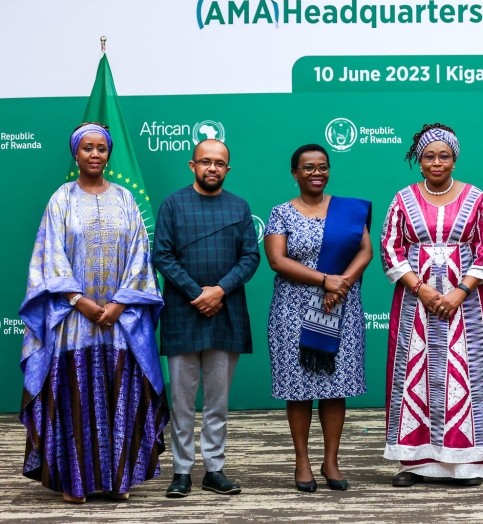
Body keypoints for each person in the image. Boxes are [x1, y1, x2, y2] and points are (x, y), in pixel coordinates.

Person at [19, 123, 168, 503]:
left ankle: (118, 480)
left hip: (120, 321)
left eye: (101, 148)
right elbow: (49, 256)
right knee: (76, 398)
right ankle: (75, 483)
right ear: (76, 153)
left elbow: (140, 256)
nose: (95, 154)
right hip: (72, 322)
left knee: (120, 396)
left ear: (108, 153)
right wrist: (78, 300)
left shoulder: (125, 199)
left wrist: (119, 303)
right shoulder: (61, 199)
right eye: (88, 148)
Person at [381, 124, 483, 487]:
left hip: (467, 307)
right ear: (419, 161)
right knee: (413, 377)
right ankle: (412, 463)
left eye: (444, 156)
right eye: (429, 156)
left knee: (466, 376)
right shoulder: (403, 199)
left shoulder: (476, 198)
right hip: (414, 306)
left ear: (454, 159)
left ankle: (467, 464)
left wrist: (459, 291)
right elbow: (390, 248)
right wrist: (420, 288)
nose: (437, 162)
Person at [153, 139, 261, 498]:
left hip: (225, 313)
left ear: (227, 169)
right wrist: (197, 294)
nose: (212, 168)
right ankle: (181, 471)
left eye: (219, 163)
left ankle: (214, 469)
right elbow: (162, 255)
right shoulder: (173, 204)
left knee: (217, 400)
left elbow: (250, 257)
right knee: (182, 401)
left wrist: (220, 291)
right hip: (183, 311)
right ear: (192, 165)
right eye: (205, 161)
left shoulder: (239, 206)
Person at [264, 144, 373, 492]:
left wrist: (341, 285)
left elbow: (365, 251)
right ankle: (302, 460)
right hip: (293, 311)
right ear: (295, 173)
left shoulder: (348, 211)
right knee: (298, 390)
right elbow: (278, 261)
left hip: (339, 308)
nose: (316, 173)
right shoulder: (281, 213)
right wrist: (326, 280)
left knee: (335, 388)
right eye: (308, 167)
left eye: (322, 167)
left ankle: (331, 461)